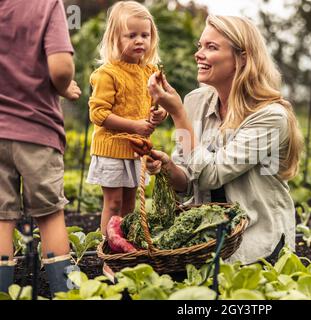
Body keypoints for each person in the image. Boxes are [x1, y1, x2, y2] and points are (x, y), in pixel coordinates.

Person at [141, 15, 304, 265]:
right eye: (200, 46)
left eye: (211, 47)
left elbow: (211, 175)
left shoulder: (270, 117)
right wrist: (168, 168)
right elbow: (188, 181)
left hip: (256, 245)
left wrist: (177, 113)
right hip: (204, 241)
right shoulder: (195, 101)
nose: (199, 54)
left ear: (242, 58)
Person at [0, 0, 81, 296]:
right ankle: (67, 292)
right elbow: (60, 69)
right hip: (36, 131)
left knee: (2, 217)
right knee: (49, 215)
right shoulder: (47, 5)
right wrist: (65, 86)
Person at [86, 1, 167, 277]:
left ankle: (126, 253)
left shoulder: (150, 73)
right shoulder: (107, 73)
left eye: (144, 35)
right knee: (113, 203)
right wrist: (134, 125)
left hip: (135, 151)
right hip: (111, 149)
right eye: (131, 35)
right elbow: (99, 113)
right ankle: (109, 256)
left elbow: (160, 104)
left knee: (132, 205)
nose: (139, 41)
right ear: (115, 38)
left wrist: (159, 115)